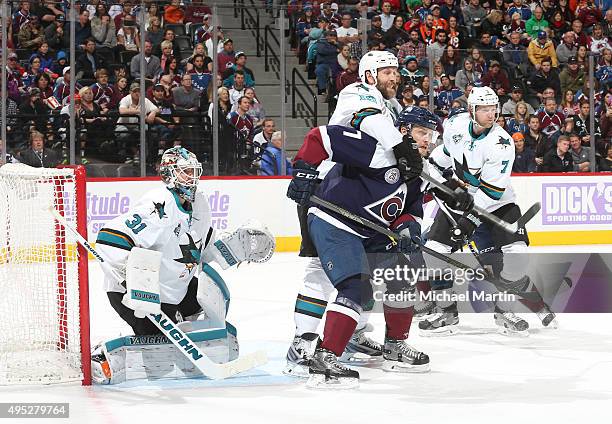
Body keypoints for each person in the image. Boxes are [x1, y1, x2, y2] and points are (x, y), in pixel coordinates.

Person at [284, 51, 429, 384]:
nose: (395, 76)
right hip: (326, 192)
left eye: (396, 70)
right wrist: (402, 145)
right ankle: (303, 345)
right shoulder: (358, 94)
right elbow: (365, 125)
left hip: (357, 199)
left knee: (387, 272)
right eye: (387, 70)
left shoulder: (388, 108)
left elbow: (409, 189)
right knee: (326, 276)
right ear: (369, 75)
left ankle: (359, 335)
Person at [91, 146, 274, 384]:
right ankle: (102, 356)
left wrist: (233, 249)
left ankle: (178, 326)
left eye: (194, 171)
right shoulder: (159, 204)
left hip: (176, 288)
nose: (193, 177)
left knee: (205, 297)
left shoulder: (199, 204)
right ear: (169, 174)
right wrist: (133, 281)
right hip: (138, 293)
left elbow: (201, 248)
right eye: (186, 172)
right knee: (162, 363)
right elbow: (110, 238)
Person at [419, 86, 556, 337]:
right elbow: (443, 156)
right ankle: (447, 311)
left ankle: (504, 311)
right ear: (471, 110)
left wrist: (469, 221)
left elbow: (492, 193)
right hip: (462, 200)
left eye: (494, 109)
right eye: (484, 109)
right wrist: (437, 179)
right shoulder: (455, 125)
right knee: (434, 252)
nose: (491, 114)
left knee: (517, 256)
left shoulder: (501, 143)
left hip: (500, 204)